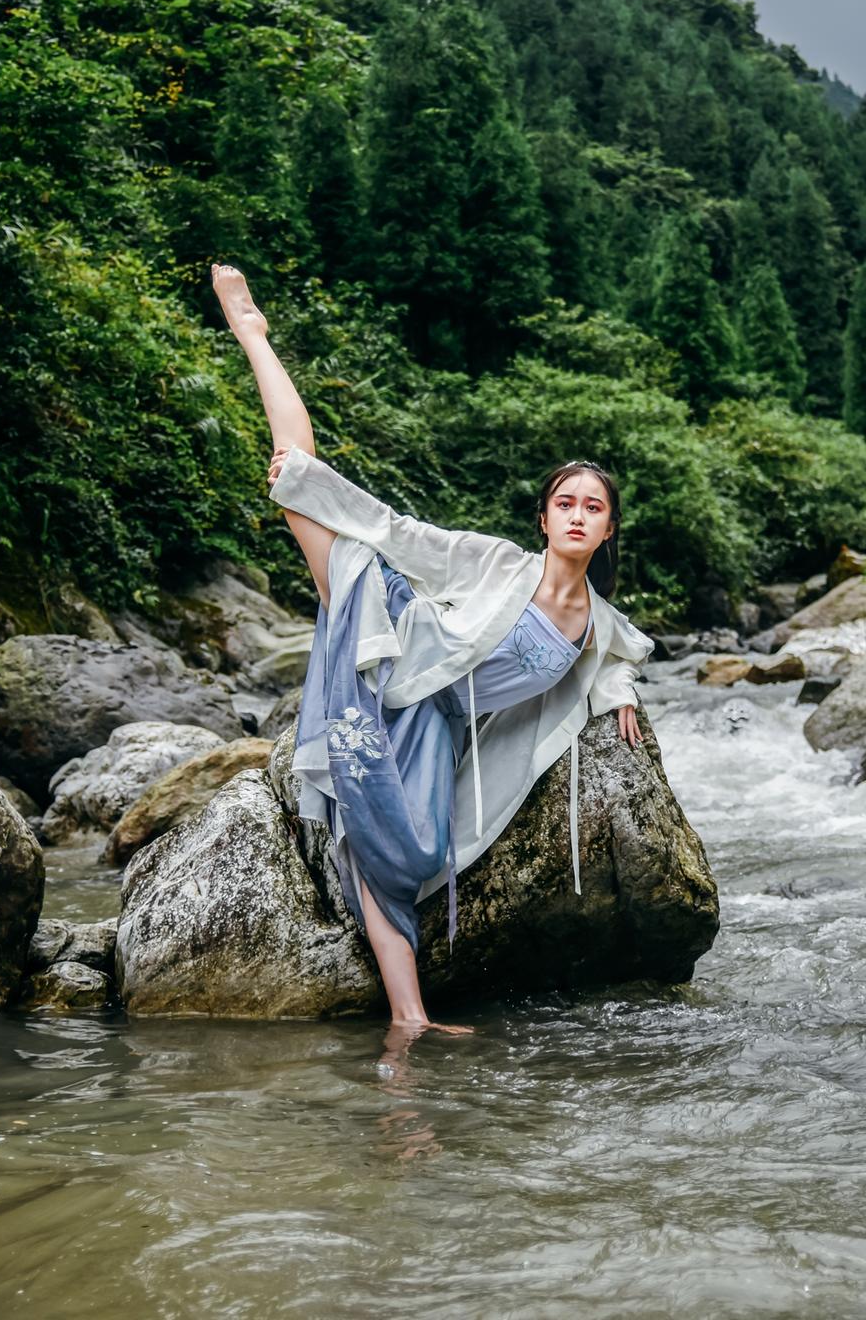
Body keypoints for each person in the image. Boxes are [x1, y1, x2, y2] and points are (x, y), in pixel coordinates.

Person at [211, 262, 654, 1041]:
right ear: (544, 520)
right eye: (564, 504)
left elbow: (620, 657)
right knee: (296, 475)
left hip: (431, 719)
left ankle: (410, 1020)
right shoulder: (496, 562)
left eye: (593, 508)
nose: (578, 516)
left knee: (407, 854)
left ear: (609, 529)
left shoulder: (600, 623)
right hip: (391, 633)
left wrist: (618, 692)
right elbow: (411, 539)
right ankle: (251, 332)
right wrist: (328, 496)